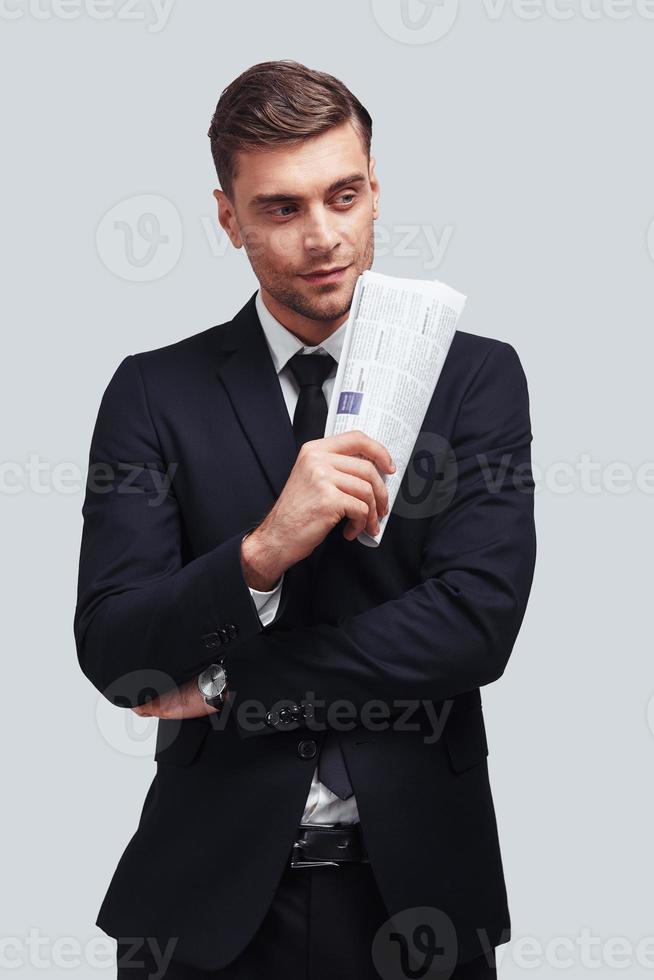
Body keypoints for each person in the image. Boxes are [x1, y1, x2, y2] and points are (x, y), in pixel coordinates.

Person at [74, 59, 536, 979]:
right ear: (227, 216)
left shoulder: (477, 376)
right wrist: (260, 554)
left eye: (345, 196)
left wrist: (231, 682)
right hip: (203, 908)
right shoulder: (152, 391)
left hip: (418, 902)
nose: (324, 237)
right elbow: (115, 648)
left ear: (375, 192)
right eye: (282, 209)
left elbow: (476, 624)